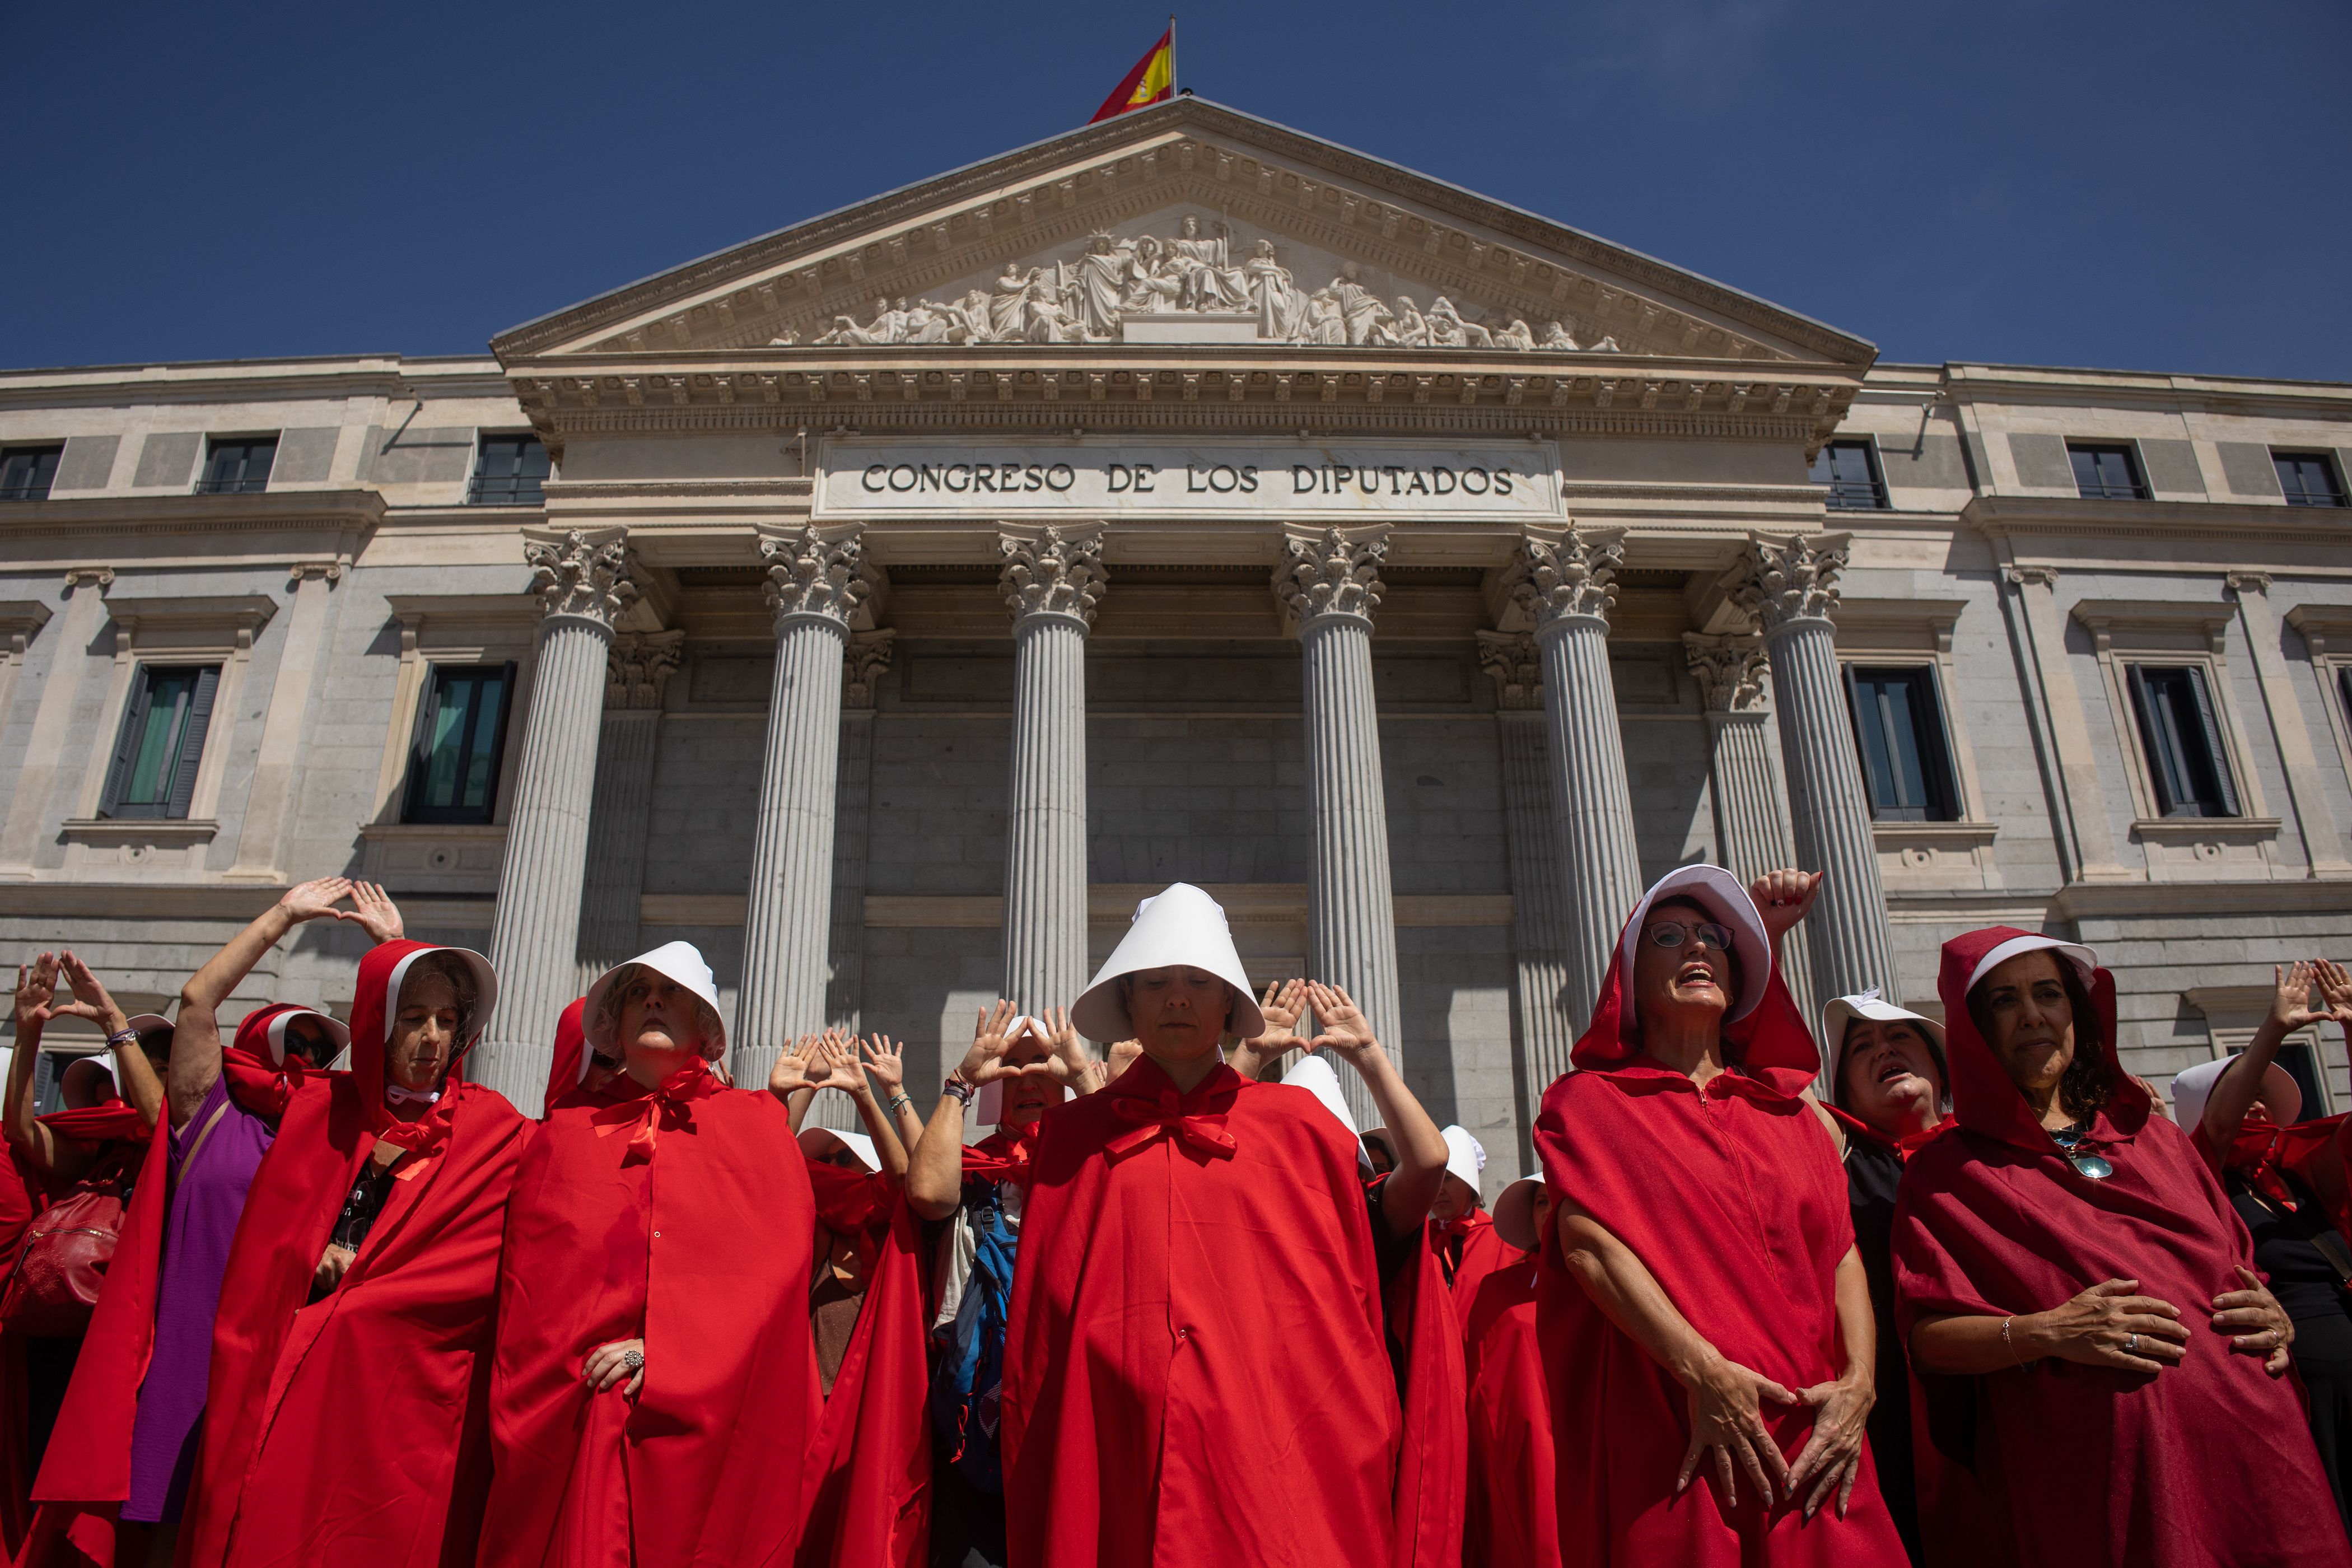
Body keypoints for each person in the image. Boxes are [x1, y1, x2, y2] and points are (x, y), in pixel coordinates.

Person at [998, 882, 1453, 1567]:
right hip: (1117, 1453)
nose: (1176, 997)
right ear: (1128, 1001)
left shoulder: (1302, 1132)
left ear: (1229, 1004)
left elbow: (1343, 1322)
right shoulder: (1069, 1136)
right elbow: (1043, 1335)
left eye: (1198, 981)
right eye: (1155, 981)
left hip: (1269, 1467)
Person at [1894, 928, 2349, 1567]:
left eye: (2047, 992)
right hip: (2107, 1493)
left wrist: (2278, 1318)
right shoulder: (1947, 1172)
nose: (2031, 1014)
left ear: (2076, 1012)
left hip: (2259, 1465)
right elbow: (1927, 1340)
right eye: (2004, 1000)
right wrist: (2049, 1329)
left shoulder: (2158, 1138)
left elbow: (2237, 1267)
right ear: (1975, 1029)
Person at [1534, 865, 1907, 1562]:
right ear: (1629, 981)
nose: (1697, 949)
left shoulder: (1796, 1117)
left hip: (1820, 1436)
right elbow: (1588, 1247)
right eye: (1668, 937)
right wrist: (1705, 1373)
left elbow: (1842, 1255)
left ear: (1740, 982)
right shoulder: (1587, 1102)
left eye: (1713, 938)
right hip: (1683, 1433)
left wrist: (1861, 1384)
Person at [24, 879, 384, 1567]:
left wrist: (391, 949)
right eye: (293, 1037)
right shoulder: (210, 1114)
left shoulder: (334, 1136)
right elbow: (197, 999)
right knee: (167, 1538)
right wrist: (283, 914)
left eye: (319, 1043)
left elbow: (409, 1050)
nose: (307, 1052)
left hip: (276, 1363)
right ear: (255, 1039)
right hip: (190, 1364)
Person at [181, 932, 524, 1568]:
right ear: (377, 1023)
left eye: (447, 1021)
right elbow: (268, 1252)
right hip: (294, 1373)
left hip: (404, 1400)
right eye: (413, 1018)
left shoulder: (496, 1127)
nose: (432, 1039)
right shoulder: (317, 1111)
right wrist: (309, 1257)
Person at [479, 941, 821, 1568]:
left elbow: (772, 1280)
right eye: (638, 992)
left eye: (674, 994)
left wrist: (665, 1354)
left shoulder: (757, 1128)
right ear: (617, 1021)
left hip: (707, 1436)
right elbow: (530, 1301)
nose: (654, 1001)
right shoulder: (561, 1137)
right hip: (581, 1428)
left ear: (707, 1027)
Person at [907, 1005, 1093, 1568]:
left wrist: (1084, 1078)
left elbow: (1123, 1156)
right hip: (977, 1421)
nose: (1027, 1079)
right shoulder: (973, 1164)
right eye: (1012, 1067)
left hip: (1071, 1410)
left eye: (1041, 1064)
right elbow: (929, 1195)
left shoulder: (1088, 1163)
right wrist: (962, 1082)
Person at [2168, 960, 2352, 1524]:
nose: (2255, 1106)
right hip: (2298, 1394)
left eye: (2261, 1096)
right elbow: (2219, 1133)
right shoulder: (2201, 1182)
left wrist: (2350, 1030)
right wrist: (2273, 1032)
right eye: (2241, 1091)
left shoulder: (2300, 1173)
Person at [1, 954, 167, 1556]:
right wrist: (28, 1032)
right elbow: (22, 1129)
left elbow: (163, 1121)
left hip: (125, 1343)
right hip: (57, 1336)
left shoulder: (179, 1145)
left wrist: (115, 1022)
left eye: (160, 1061)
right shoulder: (97, 1151)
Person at [1816, 987, 1958, 1563]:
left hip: (1994, 1403)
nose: (1883, 1050)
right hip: (1885, 1415)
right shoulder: (1837, 1154)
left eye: (1900, 1037)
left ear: (1939, 1066)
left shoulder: (1988, 1152)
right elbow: (1769, 1084)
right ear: (1844, 1092)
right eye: (1862, 1048)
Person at [1466, 1173, 1555, 1568]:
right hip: (1522, 1461)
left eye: (1559, 1198)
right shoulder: (1499, 1290)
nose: (1550, 1210)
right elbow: (1479, 1387)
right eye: (1540, 1202)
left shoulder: (1620, 1285)